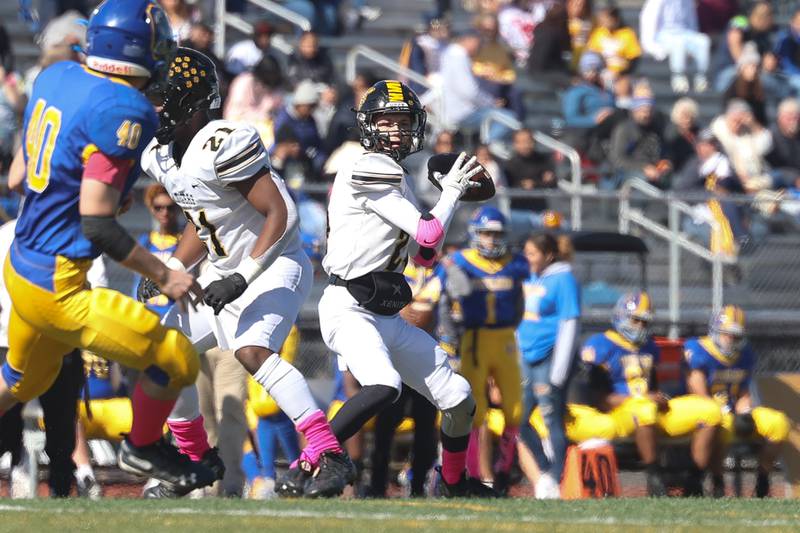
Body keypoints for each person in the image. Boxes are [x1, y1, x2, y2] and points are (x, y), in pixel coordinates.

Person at [1, 0, 214, 494]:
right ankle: (141, 448)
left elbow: (17, 177)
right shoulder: (124, 108)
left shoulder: (54, 77)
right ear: (137, 50)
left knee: (19, 383)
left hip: (22, 266)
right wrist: (166, 276)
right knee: (177, 359)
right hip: (59, 285)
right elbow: (97, 224)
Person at [138, 48, 353, 499]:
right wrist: (173, 267)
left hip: (273, 265)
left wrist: (243, 275)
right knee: (162, 356)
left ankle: (330, 454)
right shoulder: (161, 154)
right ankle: (193, 462)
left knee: (251, 351)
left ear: (191, 102)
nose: (154, 104)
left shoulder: (222, 141)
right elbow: (205, 221)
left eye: (163, 95)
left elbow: (282, 213)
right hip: (220, 272)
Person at [297, 79, 494, 498]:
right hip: (349, 305)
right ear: (369, 125)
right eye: (387, 121)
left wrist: (446, 201)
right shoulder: (368, 164)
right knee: (385, 386)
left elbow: (424, 256)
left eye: (404, 122)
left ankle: (454, 484)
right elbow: (427, 232)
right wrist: (453, 193)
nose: (398, 130)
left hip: (384, 310)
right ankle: (307, 463)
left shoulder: (396, 175)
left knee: (458, 397)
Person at [578, 292, 722, 496]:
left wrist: (659, 398)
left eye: (645, 322)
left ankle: (694, 481)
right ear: (620, 316)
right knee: (645, 409)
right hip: (619, 414)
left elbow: (651, 386)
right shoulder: (600, 344)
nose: (640, 327)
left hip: (651, 412)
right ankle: (655, 478)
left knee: (710, 411)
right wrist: (642, 399)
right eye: (636, 320)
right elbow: (599, 400)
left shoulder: (650, 347)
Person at [431, 206, 528, 494]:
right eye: (486, 233)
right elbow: (447, 305)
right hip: (474, 340)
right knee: (476, 412)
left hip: (505, 338)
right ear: (475, 234)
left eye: (496, 234)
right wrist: (450, 342)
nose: (491, 239)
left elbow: (520, 304)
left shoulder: (515, 263)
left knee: (515, 409)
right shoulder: (460, 261)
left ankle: (502, 471)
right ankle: (472, 473)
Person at [685, 306, 790, 497]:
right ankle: (717, 481)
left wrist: (745, 413)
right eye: (727, 334)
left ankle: (763, 480)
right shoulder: (697, 348)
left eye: (735, 335)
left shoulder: (744, 355)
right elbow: (698, 390)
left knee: (778, 423)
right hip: (708, 411)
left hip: (731, 409)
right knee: (719, 421)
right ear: (716, 331)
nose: (731, 339)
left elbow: (743, 393)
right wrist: (722, 412)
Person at [517, 233, 580, 499]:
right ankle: (544, 468)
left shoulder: (563, 279)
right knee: (517, 418)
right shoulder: (531, 276)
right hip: (525, 356)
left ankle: (556, 477)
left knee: (550, 416)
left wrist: (559, 370)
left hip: (548, 357)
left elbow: (569, 322)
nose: (528, 258)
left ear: (548, 255)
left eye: (533, 254)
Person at [440, 30, 515, 141]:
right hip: (461, 112)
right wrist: (491, 102)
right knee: (509, 118)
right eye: (478, 43)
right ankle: (486, 147)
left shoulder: (450, 53)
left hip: (453, 109)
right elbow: (469, 91)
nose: (480, 48)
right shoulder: (459, 56)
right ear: (471, 40)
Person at [640, 0, 711, 93]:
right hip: (663, 35)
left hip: (684, 33)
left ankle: (700, 78)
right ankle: (678, 78)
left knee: (703, 41)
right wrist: (653, 48)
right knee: (678, 42)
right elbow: (649, 21)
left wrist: (692, 47)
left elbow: (692, 23)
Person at [132, 184, 182, 316]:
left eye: (169, 208)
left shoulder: (184, 243)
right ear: (151, 209)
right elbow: (137, 281)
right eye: (158, 208)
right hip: (147, 313)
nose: (164, 212)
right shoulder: (145, 241)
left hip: (175, 314)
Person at [711, 2, 779, 93]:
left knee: (777, 85)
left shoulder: (768, 34)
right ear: (751, 13)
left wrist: (768, 63)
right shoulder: (740, 21)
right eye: (761, 15)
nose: (764, 19)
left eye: (768, 15)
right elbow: (734, 42)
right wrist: (745, 66)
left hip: (757, 74)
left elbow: (768, 61)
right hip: (730, 71)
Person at [710, 99, 774, 193]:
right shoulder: (718, 130)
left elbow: (766, 146)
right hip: (728, 182)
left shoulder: (746, 132)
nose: (738, 124)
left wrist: (753, 124)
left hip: (754, 181)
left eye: (741, 121)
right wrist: (739, 176)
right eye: (735, 120)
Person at [609, 96, 672, 189]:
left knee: (675, 181)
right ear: (634, 112)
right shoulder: (624, 129)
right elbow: (618, 159)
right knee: (643, 180)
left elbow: (664, 152)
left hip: (654, 170)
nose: (646, 114)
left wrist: (665, 163)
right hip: (627, 172)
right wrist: (644, 167)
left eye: (649, 111)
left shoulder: (656, 129)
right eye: (643, 111)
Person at [586, 7, 641, 80]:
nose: (604, 22)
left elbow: (634, 57)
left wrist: (622, 73)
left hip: (621, 74)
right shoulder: (598, 33)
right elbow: (592, 53)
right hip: (601, 73)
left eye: (607, 19)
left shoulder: (627, 33)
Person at [723, 43, 768, 128]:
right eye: (750, 66)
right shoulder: (733, 88)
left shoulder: (759, 89)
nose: (754, 70)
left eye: (756, 67)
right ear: (742, 68)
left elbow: (762, 118)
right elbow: (726, 111)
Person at [767, 98, 800, 183]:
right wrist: (794, 178)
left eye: (796, 117)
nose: (793, 121)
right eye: (788, 117)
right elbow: (773, 167)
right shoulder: (770, 136)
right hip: (778, 180)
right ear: (780, 118)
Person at [664, 97, 700, 177]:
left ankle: (711, 188)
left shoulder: (699, 134)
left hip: (699, 173)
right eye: (684, 116)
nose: (688, 120)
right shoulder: (671, 136)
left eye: (691, 117)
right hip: (679, 175)